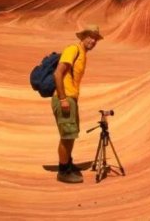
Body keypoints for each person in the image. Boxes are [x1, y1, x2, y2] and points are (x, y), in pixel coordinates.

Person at [51, 24, 103, 183]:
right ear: (83, 37)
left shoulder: (82, 53)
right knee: (66, 135)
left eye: (95, 39)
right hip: (65, 98)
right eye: (90, 37)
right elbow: (58, 73)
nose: (93, 41)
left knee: (71, 134)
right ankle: (63, 171)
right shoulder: (73, 49)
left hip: (71, 98)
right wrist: (62, 99)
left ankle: (68, 164)